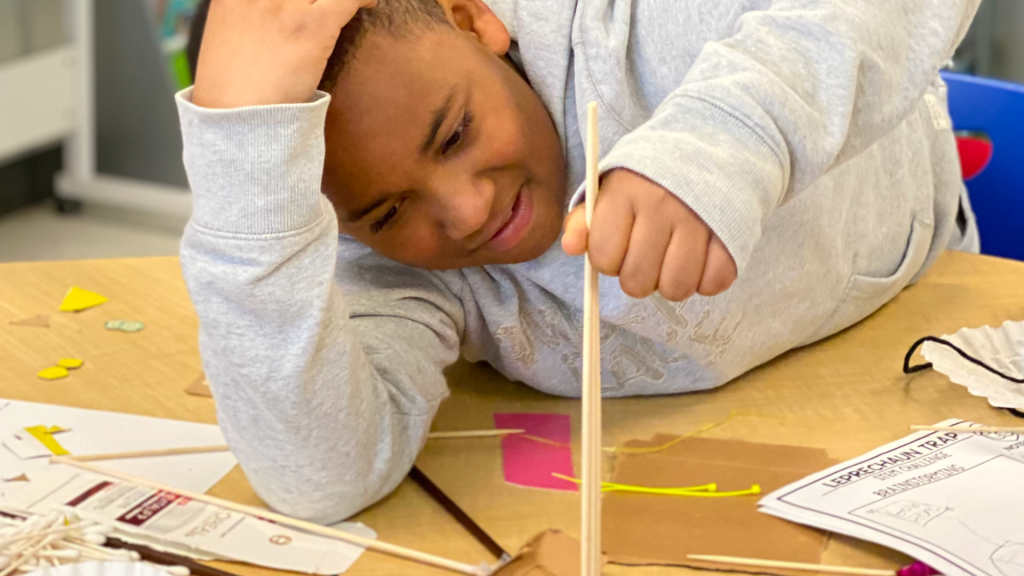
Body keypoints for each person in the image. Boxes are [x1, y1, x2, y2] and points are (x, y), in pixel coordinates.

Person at [178, 0, 981, 523]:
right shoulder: (383, 266)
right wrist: (243, 196)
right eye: (387, 212)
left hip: (914, 322)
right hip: (764, 445)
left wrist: (722, 138)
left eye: (454, 133)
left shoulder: (629, 28)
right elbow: (321, 477)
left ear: (472, 20)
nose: (466, 212)